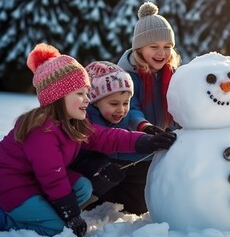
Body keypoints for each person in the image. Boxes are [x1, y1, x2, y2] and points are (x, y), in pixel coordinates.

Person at [0, 43, 176, 236]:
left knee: (83, 187)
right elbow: (52, 176)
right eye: (80, 94)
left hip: (38, 181)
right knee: (55, 228)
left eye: (87, 93)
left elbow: (108, 137)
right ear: (58, 97)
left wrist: (145, 141)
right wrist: (71, 214)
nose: (87, 99)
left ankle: (43, 209)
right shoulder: (42, 130)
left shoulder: (74, 123)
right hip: (13, 182)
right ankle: (6, 217)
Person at [90, 1, 181, 215]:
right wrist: (146, 127)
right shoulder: (125, 77)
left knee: (138, 207)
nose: (162, 53)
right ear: (139, 48)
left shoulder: (172, 76)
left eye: (167, 47)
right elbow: (130, 109)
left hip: (148, 156)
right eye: (154, 47)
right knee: (105, 205)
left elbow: (178, 108)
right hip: (120, 153)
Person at [71, 61, 137, 209]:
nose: (121, 110)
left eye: (126, 103)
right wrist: (101, 167)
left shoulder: (117, 117)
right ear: (95, 101)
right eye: (114, 104)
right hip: (75, 170)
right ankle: (78, 206)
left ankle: (91, 203)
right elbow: (80, 158)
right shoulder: (83, 119)